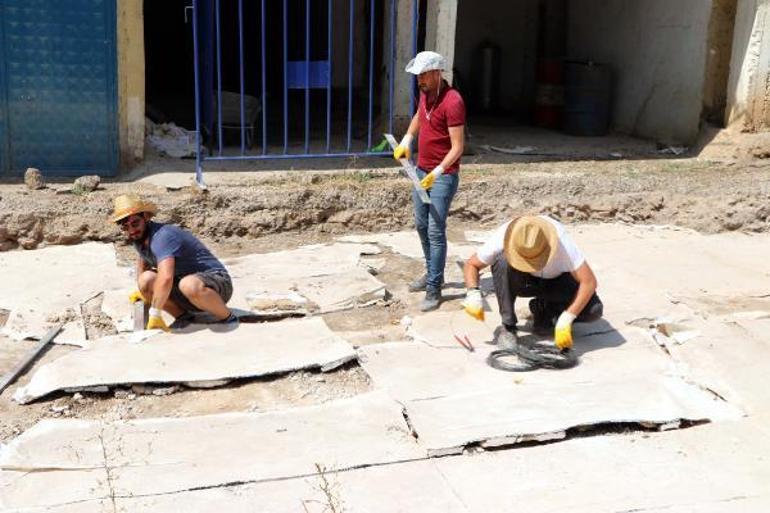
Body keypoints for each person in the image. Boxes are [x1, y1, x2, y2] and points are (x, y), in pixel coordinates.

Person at [462, 215, 603, 351]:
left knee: (593, 310)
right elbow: (472, 265)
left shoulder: (562, 241)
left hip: (557, 283)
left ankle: (545, 310)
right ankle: (508, 327)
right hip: (525, 282)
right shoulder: (504, 235)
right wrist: (473, 293)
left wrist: (567, 317)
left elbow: (589, 282)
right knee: (502, 263)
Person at [393, 51, 466, 312]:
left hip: (443, 176)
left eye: (423, 75)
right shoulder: (426, 94)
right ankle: (432, 272)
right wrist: (407, 139)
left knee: (436, 230)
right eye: (418, 76)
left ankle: (435, 287)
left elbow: (457, 147)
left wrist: (437, 172)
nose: (419, 80)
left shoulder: (453, 101)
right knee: (422, 225)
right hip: (420, 170)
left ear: (437, 73)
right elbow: (419, 116)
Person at [110, 194, 237, 331]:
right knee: (146, 280)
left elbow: (166, 277)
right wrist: (141, 290)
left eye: (135, 223)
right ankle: (184, 317)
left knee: (188, 284)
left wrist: (155, 314)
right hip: (185, 290)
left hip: (216, 285)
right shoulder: (139, 237)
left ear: (146, 217)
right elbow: (143, 260)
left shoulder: (163, 236)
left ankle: (228, 317)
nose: (131, 230)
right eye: (125, 227)